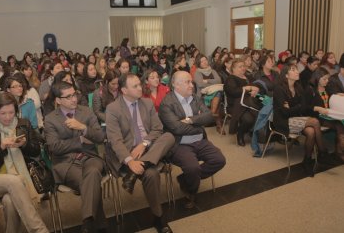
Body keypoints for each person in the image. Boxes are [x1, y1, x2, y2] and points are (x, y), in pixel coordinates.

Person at [105, 73, 174, 233]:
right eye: (135, 86)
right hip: (128, 153)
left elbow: (158, 128)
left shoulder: (147, 103)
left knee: (169, 136)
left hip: (149, 149)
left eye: (139, 84)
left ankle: (137, 173)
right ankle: (159, 218)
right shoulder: (113, 108)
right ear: (124, 90)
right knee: (151, 174)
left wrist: (144, 144)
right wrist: (130, 161)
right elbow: (115, 140)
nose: (140, 88)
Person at [0, 93, 48, 233]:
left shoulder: (23, 124)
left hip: (23, 177)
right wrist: (1, 148)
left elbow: (36, 152)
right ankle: (39, 230)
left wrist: (24, 145)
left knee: (9, 201)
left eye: (11, 112)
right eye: (3, 113)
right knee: (14, 181)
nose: (8, 117)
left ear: (16, 111)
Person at [44, 81, 107, 233]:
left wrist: (84, 128)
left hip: (90, 157)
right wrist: (79, 140)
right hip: (66, 163)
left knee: (92, 173)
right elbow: (55, 147)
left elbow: (100, 136)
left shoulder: (86, 111)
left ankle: (87, 223)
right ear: (58, 100)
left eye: (74, 94)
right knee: (91, 181)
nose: (74, 99)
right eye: (68, 97)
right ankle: (99, 224)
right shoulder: (50, 119)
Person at [158, 71, 226, 209]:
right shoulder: (166, 103)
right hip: (180, 144)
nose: (192, 85)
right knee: (192, 168)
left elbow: (209, 116)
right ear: (176, 85)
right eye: (187, 82)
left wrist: (190, 120)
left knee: (219, 160)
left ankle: (185, 179)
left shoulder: (195, 98)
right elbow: (177, 129)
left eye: (191, 82)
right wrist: (198, 126)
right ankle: (191, 192)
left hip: (200, 140)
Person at [273, 65, 337, 176]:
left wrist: (293, 106)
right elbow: (285, 113)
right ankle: (322, 153)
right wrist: (297, 106)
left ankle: (306, 161)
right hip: (283, 121)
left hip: (297, 118)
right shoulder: (279, 89)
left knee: (311, 132)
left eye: (296, 69)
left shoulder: (298, 87)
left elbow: (303, 107)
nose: (297, 71)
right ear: (286, 75)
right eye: (293, 70)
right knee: (315, 122)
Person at [305, 67, 344, 162]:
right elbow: (305, 108)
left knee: (340, 126)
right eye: (324, 79)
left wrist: (338, 94)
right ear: (317, 79)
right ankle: (333, 152)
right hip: (317, 117)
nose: (327, 81)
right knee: (339, 126)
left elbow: (332, 98)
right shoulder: (310, 90)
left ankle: (338, 152)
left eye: (327, 79)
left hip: (328, 116)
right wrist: (318, 108)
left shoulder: (327, 89)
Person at [224, 59, 259, 146]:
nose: (243, 68)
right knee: (249, 119)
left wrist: (256, 89)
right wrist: (248, 88)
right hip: (236, 106)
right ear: (233, 69)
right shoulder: (230, 79)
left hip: (250, 104)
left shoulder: (248, 77)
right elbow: (234, 92)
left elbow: (256, 86)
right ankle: (240, 133)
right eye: (240, 67)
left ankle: (252, 132)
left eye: (243, 66)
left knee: (260, 115)